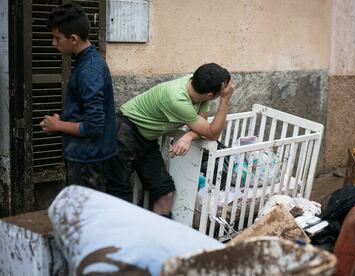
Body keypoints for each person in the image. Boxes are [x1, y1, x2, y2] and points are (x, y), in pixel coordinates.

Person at [107, 63, 233, 218]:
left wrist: (188, 137)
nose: (228, 90)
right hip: (124, 132)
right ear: (211, 96)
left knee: (165, 193)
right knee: (119, 197)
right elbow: (212, 133)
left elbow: (202, 130)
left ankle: (161, 237)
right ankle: (119, 238)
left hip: (147, 139)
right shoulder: (177, 99)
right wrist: (225, 100)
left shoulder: (198, 86)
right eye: (222, 92)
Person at [40, 4, 118, 192]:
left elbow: (93, 125)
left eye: (57, 38)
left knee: (85, 216)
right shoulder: (89, 61)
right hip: (90, 155)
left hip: (88, 161)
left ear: (73, 38)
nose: (53, 43)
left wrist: (57, 126)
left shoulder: (89, 70)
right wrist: (64, 119)